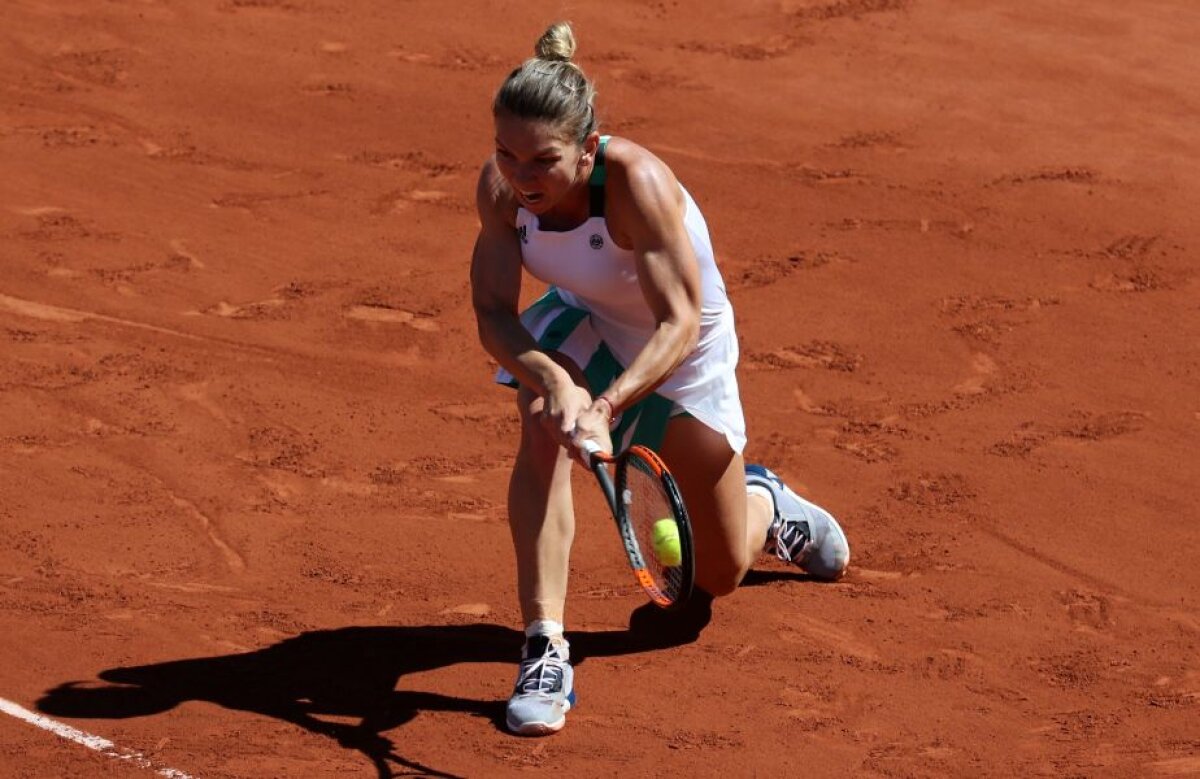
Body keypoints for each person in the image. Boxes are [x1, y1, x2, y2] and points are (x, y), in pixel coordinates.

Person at [470, 21, 851, 737]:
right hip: (587, 322)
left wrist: (608, 404)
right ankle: (545, 645)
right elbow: (493, 311)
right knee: (541, 427)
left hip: (682, 352)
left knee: (718, 576)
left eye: (542, 161)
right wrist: (555, 382)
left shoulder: (637, 184)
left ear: (587, 150)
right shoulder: (501, 192)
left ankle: (765, 503)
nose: (522, 178)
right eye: (505, 154)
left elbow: (677, 323)